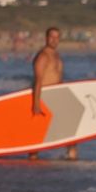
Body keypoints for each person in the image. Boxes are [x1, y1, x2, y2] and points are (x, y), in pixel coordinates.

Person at [30, 26, 77, 160]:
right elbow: (38, 81)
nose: (54, 40)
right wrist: (36, 104)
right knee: (38, 135)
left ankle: (71, 156)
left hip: (57, 98)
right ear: (46, 38)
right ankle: (33, 161)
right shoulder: (43, 56)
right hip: (45, 98)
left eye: (57, 37)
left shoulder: (56, 56)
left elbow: (58, 78)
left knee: (71, 131)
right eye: (52, 37)